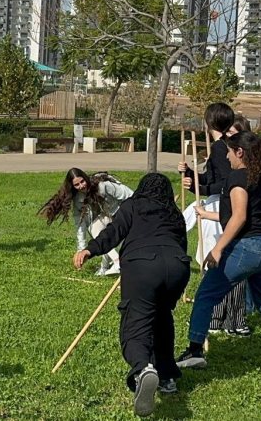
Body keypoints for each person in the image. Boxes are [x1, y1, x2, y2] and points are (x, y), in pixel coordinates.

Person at [176, 130, 261, 369]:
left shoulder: (238, 179)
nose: (226, 157)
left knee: (205, 295)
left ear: (240, 152)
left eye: (229, 152)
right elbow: (241, 214)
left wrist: (218, 249)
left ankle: (194, 351)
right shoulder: (259, 178)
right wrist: (207, 214)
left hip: (247, 249)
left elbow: (239, 218)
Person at [73, 173, 191, 417]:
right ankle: (167, 377)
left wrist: (89, 250)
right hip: (177, 266)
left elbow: (113, 232)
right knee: (162, 318)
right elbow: (182, 244)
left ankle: (143, 369)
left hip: (143, 266)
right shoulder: (174, 213)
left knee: (135, 323)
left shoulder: (133, 205)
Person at [181, 109, 254, 336]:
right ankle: (226, 317)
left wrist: (197, 188)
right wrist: (192, 175)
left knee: (219, 259)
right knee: (217, 258)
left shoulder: (223, 149)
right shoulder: (220, 149)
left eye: (235, 134)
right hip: (217, 205)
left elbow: (224, 185)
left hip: (221, 207)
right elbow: (213, 178)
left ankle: (223, 318)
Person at [38, 167, 132, 275]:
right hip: (108, 215)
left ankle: (116, 262)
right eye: (77, 185)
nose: (81, 186)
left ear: (85, 177)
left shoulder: (102, 185)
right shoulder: (78, 199)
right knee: (95, 229)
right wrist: (81, 250)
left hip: (123, 212)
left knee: (106, 235)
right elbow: (80, 225)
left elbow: (129, 194)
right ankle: (109, 265)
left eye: (82, 181)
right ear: (72, 187)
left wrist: (138, 211)